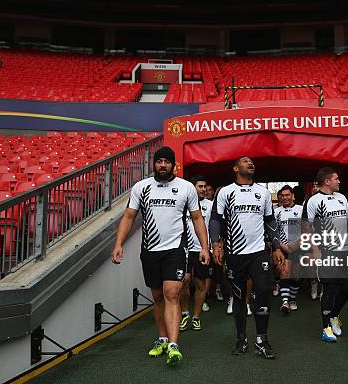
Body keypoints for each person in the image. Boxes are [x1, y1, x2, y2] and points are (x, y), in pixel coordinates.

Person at [111, 146, 210, 367]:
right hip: (150, 251)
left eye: (167, 162)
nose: (162, 165)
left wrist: (204, 247)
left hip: (175, 249)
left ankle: (174, 345)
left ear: (174, 165)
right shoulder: (141, 187)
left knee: (171, 293)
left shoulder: (186, 188)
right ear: (154, 164)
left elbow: (196, 218)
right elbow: (129, 216)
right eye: (159, 161)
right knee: (157, 296)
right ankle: (163, 339)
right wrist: (118, 244)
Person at [210, 156, 286, 359]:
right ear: (236, 168)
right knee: (238, 297)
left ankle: (262, 340)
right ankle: (241, 339)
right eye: (245, 161)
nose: (250, 163)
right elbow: (216, 220)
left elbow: (270, 221)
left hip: (259, 252)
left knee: (262, 290)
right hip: (235, 254)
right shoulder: (225, 192)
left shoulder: (262, 192)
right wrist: (216, 244)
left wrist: (276, 246)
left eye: (251, 162)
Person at [302, 167, 348, 342]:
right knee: (330, 289)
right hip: (326, 252)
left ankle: (334, 315)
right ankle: (326, 327)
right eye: (336, 179)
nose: (339, 181)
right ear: (327, 181)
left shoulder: (342, 198)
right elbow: (306, 227)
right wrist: (315, 249)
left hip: (345, 250)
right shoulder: (313, 201)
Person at [180, 175, 213, 332]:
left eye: (204, 186)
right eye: (200, 186)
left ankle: (196, 317)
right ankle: (185, 313)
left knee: (201, 284)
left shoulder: (211, 205)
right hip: (184, 250)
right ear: (192, 188)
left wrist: (212, 247)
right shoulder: (183, 204)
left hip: (202, 250)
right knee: (184, 282)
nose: (204, 189)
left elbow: (213, 227)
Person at [274, 185, 303, 313]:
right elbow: (274, 231)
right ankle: (285, 302)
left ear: (293, 196)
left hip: (299, 246)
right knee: (284, 273)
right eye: (283, 195)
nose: (285, 198)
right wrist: (281, 246)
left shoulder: (301, 210)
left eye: (287, 195)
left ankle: (292, 299)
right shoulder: (276, 212)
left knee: (296, 277)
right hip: (283, 247)